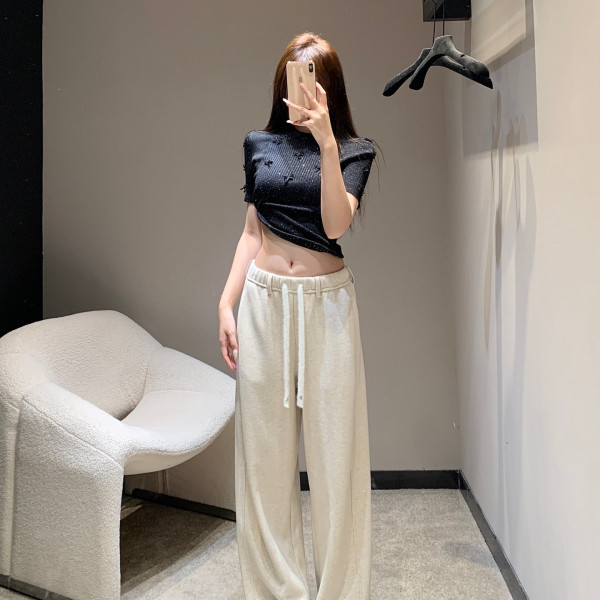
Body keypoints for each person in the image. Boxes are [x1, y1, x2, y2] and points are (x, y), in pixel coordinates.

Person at [218, 32, 378, 600]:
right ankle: (275, 592)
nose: (302, 84)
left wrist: (328, 142)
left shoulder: (354, 151)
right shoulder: (258, 143)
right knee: (263, 459)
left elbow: (335, 224)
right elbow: (251, 231)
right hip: (263, 303)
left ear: (329, 86)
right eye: (294, 71)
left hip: (326, 306)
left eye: (313, 74)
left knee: (337, 459)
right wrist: (226, 302)